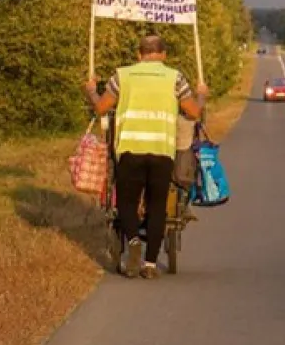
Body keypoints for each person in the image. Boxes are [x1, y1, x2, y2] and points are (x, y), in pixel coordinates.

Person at [83, 34, 207, 279]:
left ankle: (133, 242)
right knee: (157, 206)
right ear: (163, 55)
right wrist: (202, 94)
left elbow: (100, 108)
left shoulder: (122, 76)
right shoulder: (175, 78)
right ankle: (150, 264)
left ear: (139, 55)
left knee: (127, 204)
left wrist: (90, 91)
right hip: (162, 150)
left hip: (130, 149)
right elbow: (193, 112)